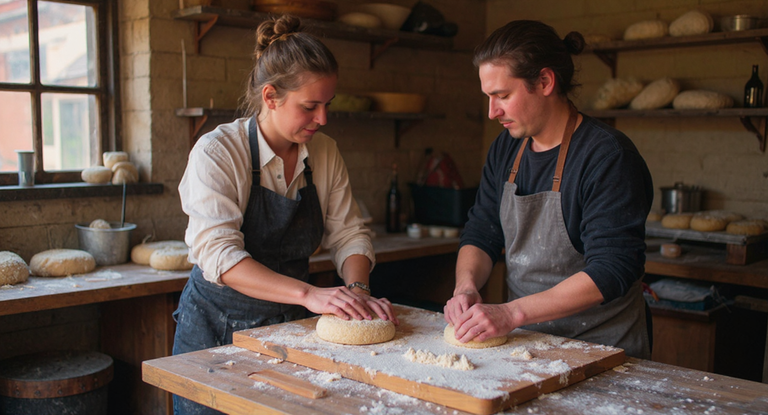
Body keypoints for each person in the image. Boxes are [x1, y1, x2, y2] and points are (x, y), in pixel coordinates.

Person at [173, 15, 398, 414]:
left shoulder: (324, 152)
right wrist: (310, 294)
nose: (323, 119)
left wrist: (358, 291)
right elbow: (221, 255)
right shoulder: (218, 152)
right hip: (216, 332)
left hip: (291, 328)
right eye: (310, 106)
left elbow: (349, 234)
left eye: (327, 105)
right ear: (271, 97)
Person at [443, 20, 653, 359]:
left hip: (603, 350)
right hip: (527, 346)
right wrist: (466, 286)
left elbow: (611, 268)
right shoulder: (506, 149)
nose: (492, 112)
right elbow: (482, 231)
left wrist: (511, 312)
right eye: (488, 97)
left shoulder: (608, 156)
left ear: (544, 81)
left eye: (503, 96)